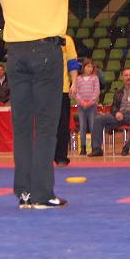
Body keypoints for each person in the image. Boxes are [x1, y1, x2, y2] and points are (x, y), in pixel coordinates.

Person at [0, 0, 109, 209]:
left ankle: (24, 192)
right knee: (47, 125)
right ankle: (43, 193)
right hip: (47, 53)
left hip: (15, 55)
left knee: (22, 125)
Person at [88, 68, 130, 157]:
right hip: (120, 115)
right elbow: (113, 107)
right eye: (126, 75)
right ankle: (96, 149)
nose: (128, 77)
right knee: (98, 119)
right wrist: (116, 113)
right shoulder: (118, 92)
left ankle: (128, 146)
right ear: (122, 77)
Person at [54, 35, 80, 167]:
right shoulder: (39, 36)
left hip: (62, 88)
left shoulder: (66, 40)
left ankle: (61, 157)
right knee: (44, 126)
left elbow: (72, 62)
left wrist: (74, 82)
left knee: (63, 125)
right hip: (42, 90)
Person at [73, 59, 100, 155]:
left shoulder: (95, 78)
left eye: (91, 67)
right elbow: (75, 92)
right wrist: (82, 102)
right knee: (82, 126)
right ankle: (83, 147)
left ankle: (94, 146)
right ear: (83, 67)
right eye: (88, 66)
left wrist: (90, 102)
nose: (90, 68)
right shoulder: (78, 79)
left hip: (92, 106)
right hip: (81, 106)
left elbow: (96, 91)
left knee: (93, 126)